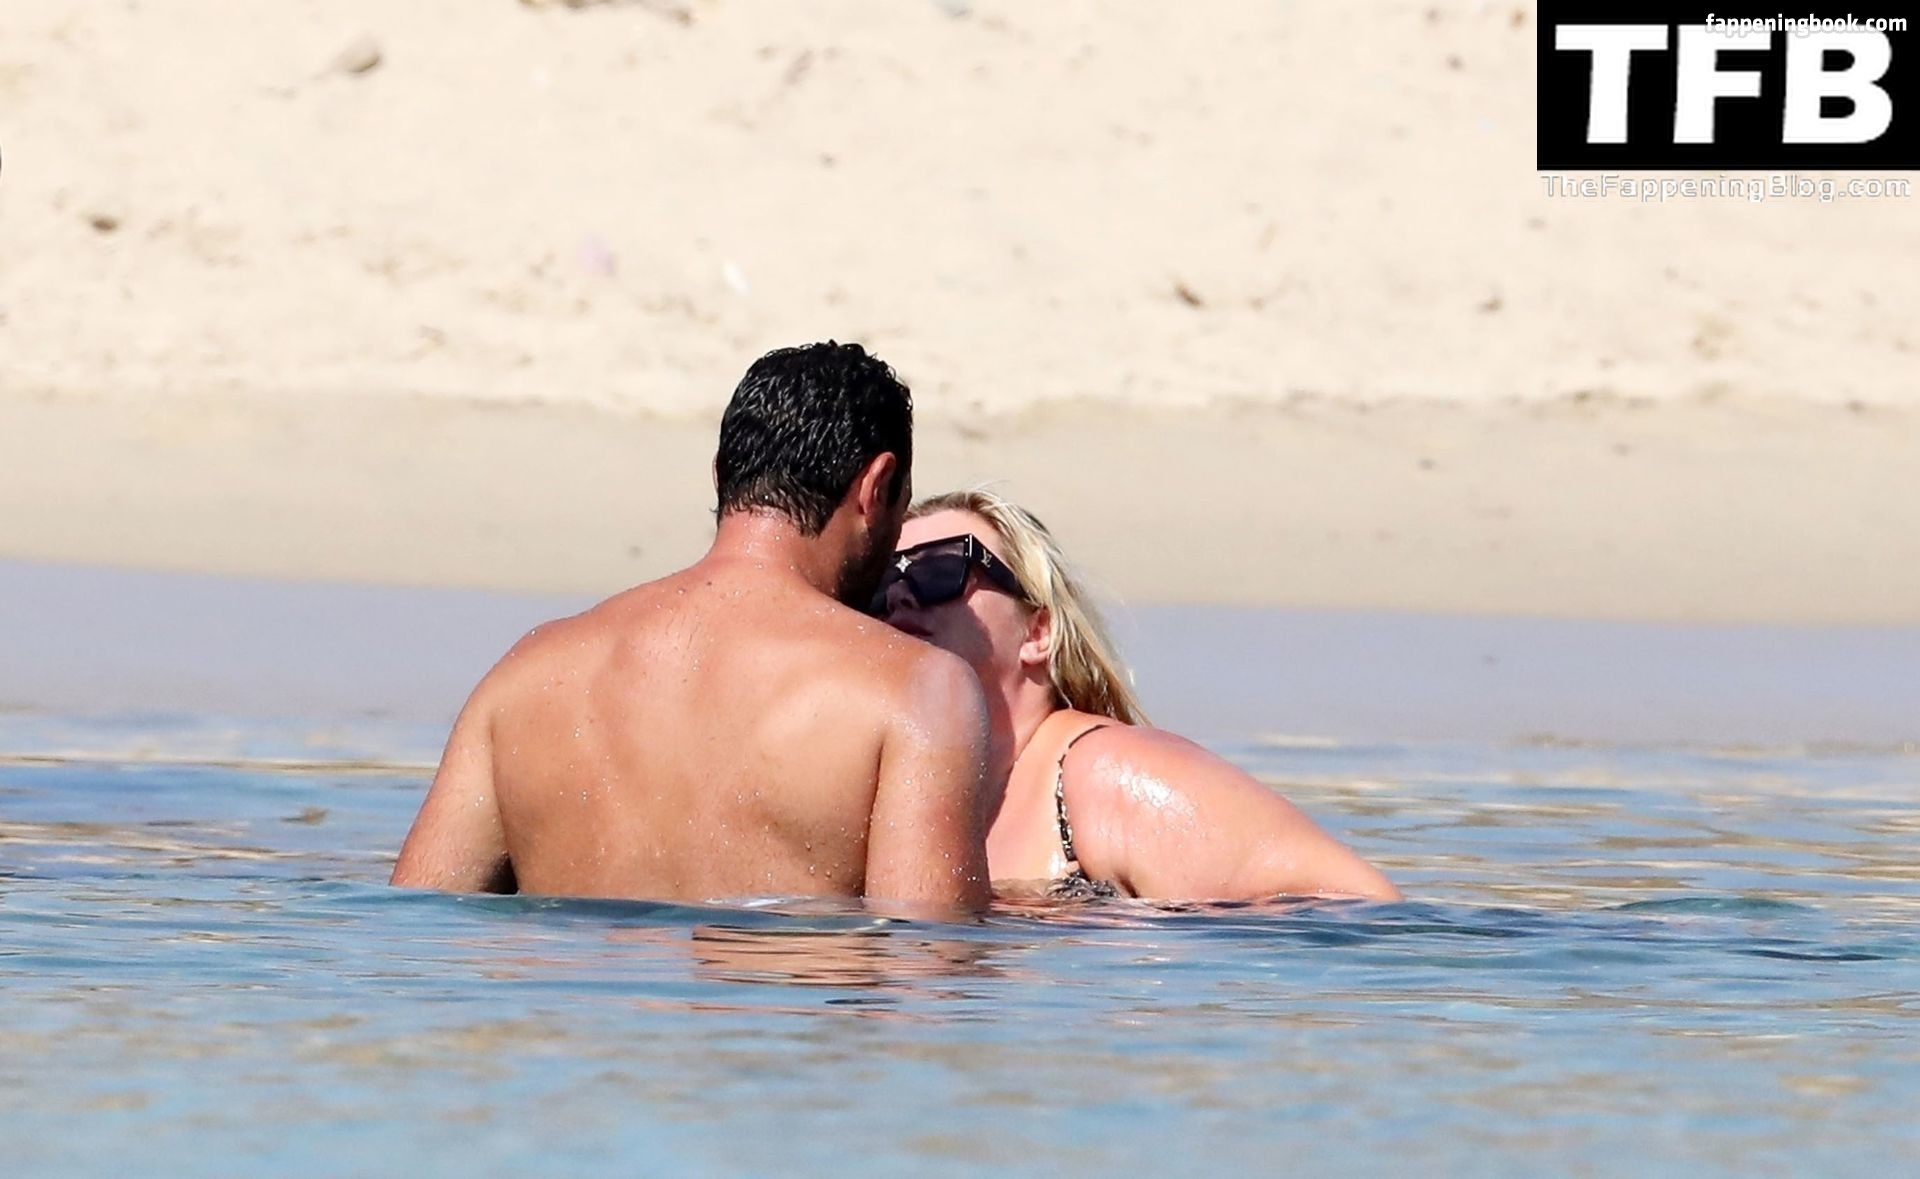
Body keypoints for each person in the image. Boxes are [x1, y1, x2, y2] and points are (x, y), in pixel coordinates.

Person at [392, 343, 993, 914]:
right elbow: (926, 962)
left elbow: (415, 923)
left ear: (720, 474)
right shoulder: (912, 690)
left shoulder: (527, 674)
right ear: (876, 487)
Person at [875, 488, 1401, 902]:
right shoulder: (911, 800)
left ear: (1038, 632)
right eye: (878, 585)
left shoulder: (1105, 776)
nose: (900, 594)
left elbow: (1361, 907)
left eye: (938, 570)